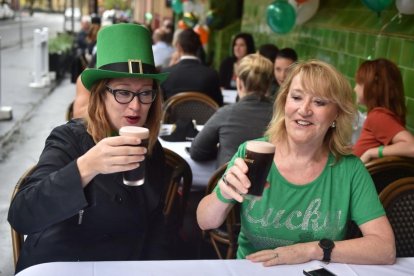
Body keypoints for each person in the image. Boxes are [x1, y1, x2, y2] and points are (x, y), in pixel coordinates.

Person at [197, 60, 396, 266]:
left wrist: (311, 250)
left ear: (336, 114)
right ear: (285, 103)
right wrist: (225, 191)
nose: (304, 110)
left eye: (319, 102)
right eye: (296, 97)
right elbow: (205, 221)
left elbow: (385, 248)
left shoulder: (349, 169)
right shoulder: (254, 153)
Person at [8, 23, 172, 274]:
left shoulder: (152, 149)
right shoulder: (69, 139)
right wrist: (86, 166)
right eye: (123, 92)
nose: (136, 106)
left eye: (145, 93)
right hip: (64, 266)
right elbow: (23, 214)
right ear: (101, 95)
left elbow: (155, 224)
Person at [190, 53, 274, 167]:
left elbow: (196, 151)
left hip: (228, 182)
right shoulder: (281, 117)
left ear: (239, 83)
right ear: (269, 85)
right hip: (271, 183)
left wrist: (221, 150)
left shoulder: (227, 113)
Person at [352, 58, 414, 163]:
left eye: (359, 83)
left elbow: (412, 147)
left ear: (373, 87)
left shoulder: (378, 116)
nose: (355, 89)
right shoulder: (384, 116)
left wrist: (371, 152)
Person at [161, 28, 223, 106]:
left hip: (172, 118)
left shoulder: (166, 74)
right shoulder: (212, 75)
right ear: (198, 47)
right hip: (204, 118)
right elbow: (218, 105)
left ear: (178, 47)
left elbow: (160, 106)